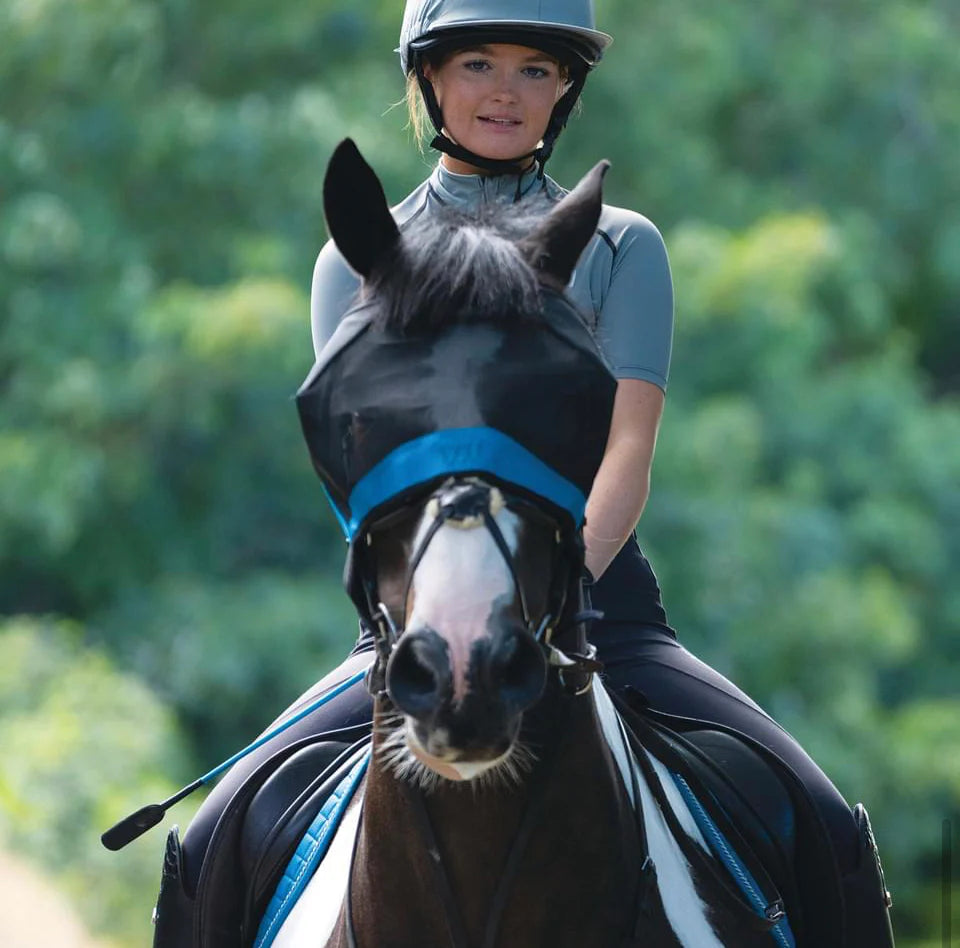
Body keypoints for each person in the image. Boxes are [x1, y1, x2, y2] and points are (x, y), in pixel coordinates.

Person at [166, 2, 895, 945]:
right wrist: (452, 601)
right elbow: (357, 469)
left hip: (598, 609)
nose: (505, 91)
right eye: (477, 63)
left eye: (535, 70)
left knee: (821, 819)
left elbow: (627, 450)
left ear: (567, 89)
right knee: (216, 832)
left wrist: (546, 600)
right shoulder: (357, 258)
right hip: (414, 615)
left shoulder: (620, 245)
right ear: (429, 79)